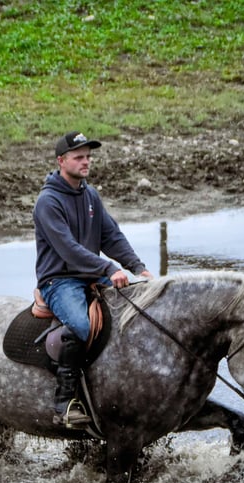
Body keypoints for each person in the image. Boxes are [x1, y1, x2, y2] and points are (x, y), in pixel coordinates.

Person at [34, 131, 154, 427]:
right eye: (79, 157)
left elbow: (110, 235)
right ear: (61, 161)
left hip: (92, 277)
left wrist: (138, 267)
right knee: (81, 325)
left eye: (88, 156)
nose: (86, 162)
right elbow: (68, 249)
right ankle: (64, 404)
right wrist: (108, 268)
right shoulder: (47, 202)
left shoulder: (90, 195)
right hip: (59, 282)